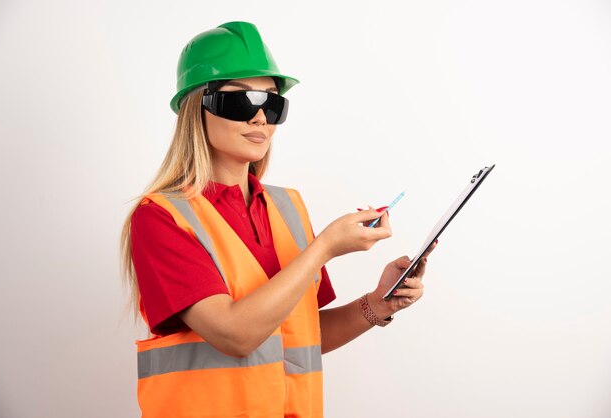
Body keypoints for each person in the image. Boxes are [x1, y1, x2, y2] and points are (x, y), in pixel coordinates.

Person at [120, 21, 436, 418]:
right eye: (240, 102)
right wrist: (323, 248)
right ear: (194, 108)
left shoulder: (288, 207)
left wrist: (380, 302)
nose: (259, 119)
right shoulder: (161, 218)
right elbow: (236, 335)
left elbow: (298, 336)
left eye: (271, 104)